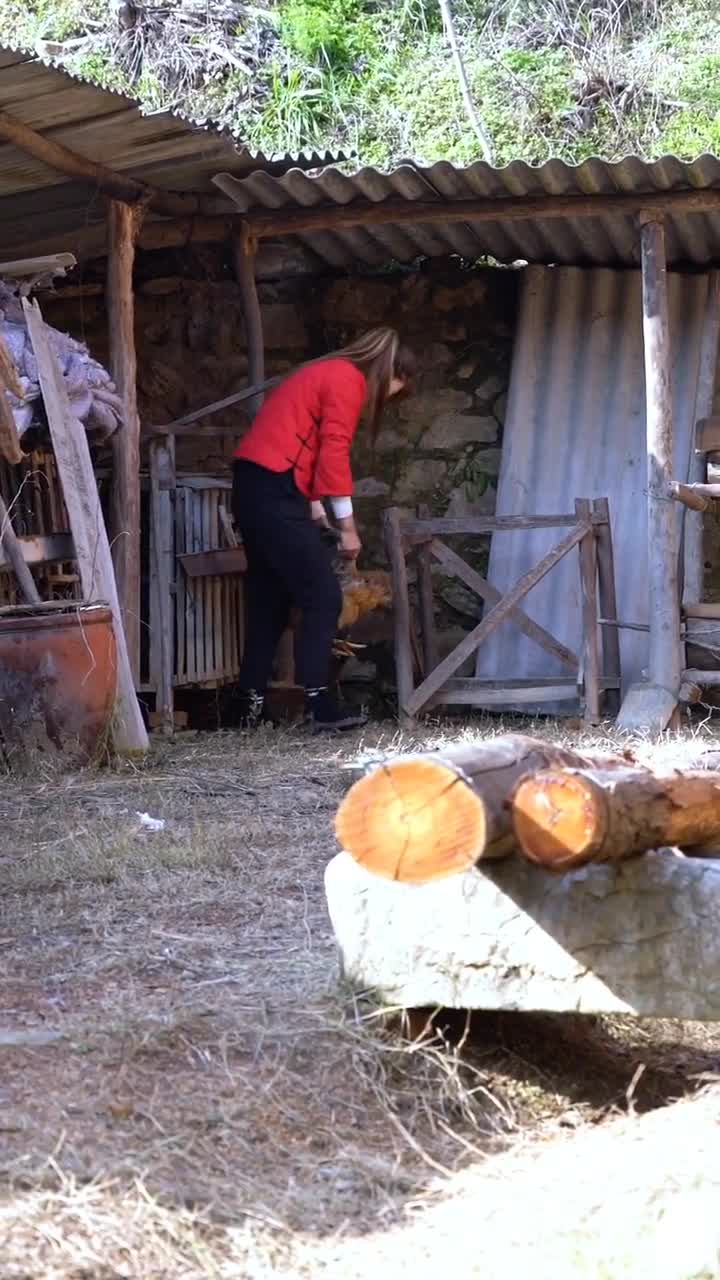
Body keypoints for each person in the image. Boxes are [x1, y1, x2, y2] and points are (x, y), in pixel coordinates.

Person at [232, 326, 416, 731]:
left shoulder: (325, 373)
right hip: (274, 488)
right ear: (389, 371)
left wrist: (315, 512)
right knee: (323, 596)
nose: (381, 401)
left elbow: (304, 449)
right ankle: (320, 705)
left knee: (270, 599)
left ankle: (247, 708)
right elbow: (333, 453)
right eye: (391, 391)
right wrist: (347, 528)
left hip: (256, 484)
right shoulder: (347, 379)